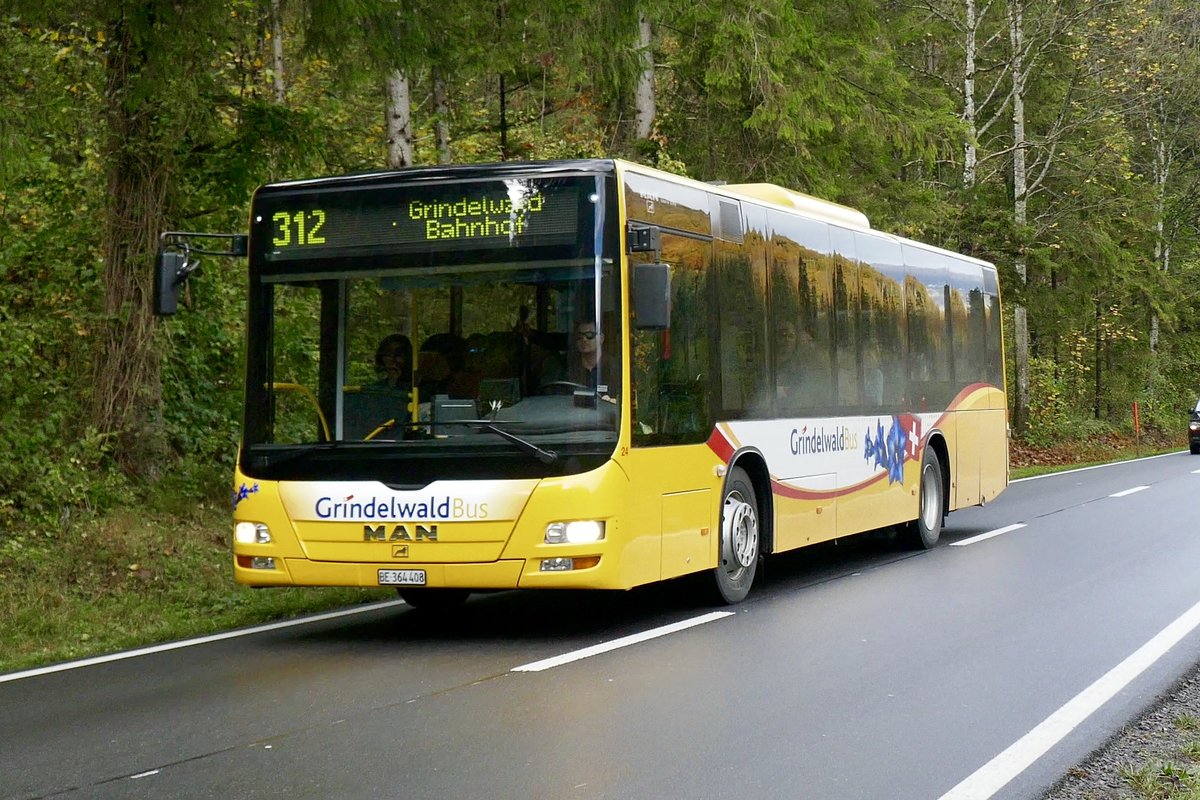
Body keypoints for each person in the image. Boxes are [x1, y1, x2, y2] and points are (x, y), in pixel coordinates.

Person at [567, 319, 619, 397]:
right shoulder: (569, 367)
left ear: (601, 338)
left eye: (590, 335)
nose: (584, 339)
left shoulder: (614, 367)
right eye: (580, 336)